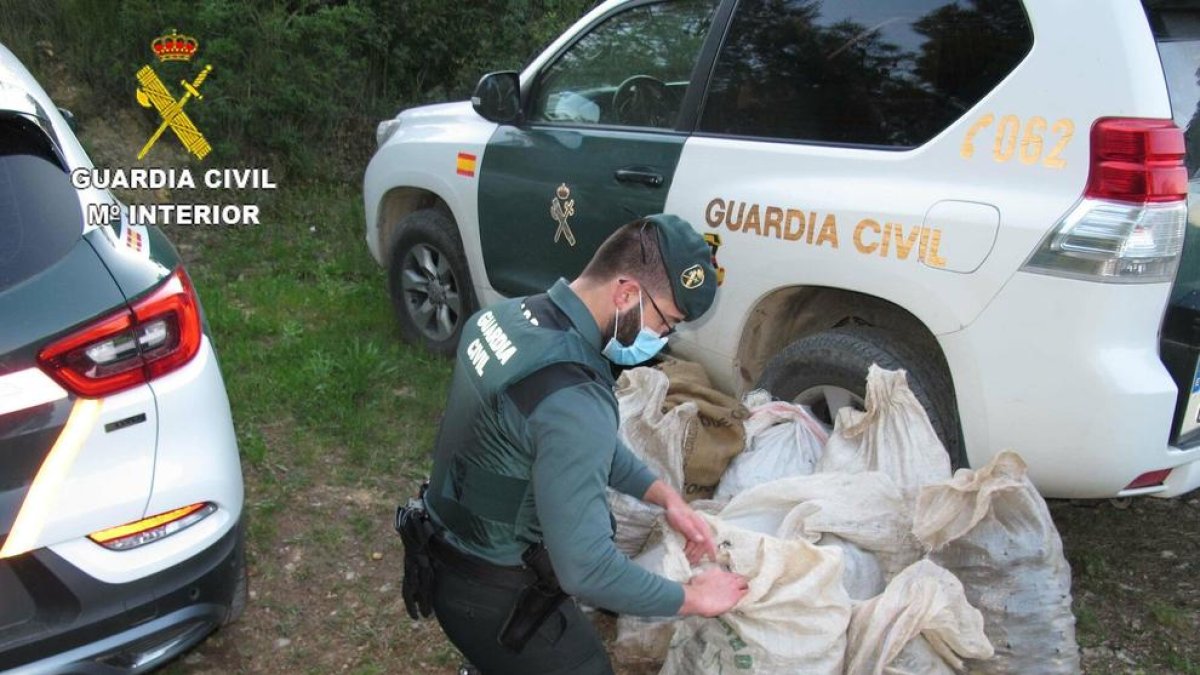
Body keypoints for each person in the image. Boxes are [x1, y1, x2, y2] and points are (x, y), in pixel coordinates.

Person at [407, 214, 748, 674]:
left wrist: (665, 496)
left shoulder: (501, 318)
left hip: (440, 548)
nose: (664, 338)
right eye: (667, 322)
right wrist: (693, 598)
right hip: (494, 596)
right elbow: (586, 570)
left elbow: (570, 441)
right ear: (626, 294)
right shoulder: (575, 398)